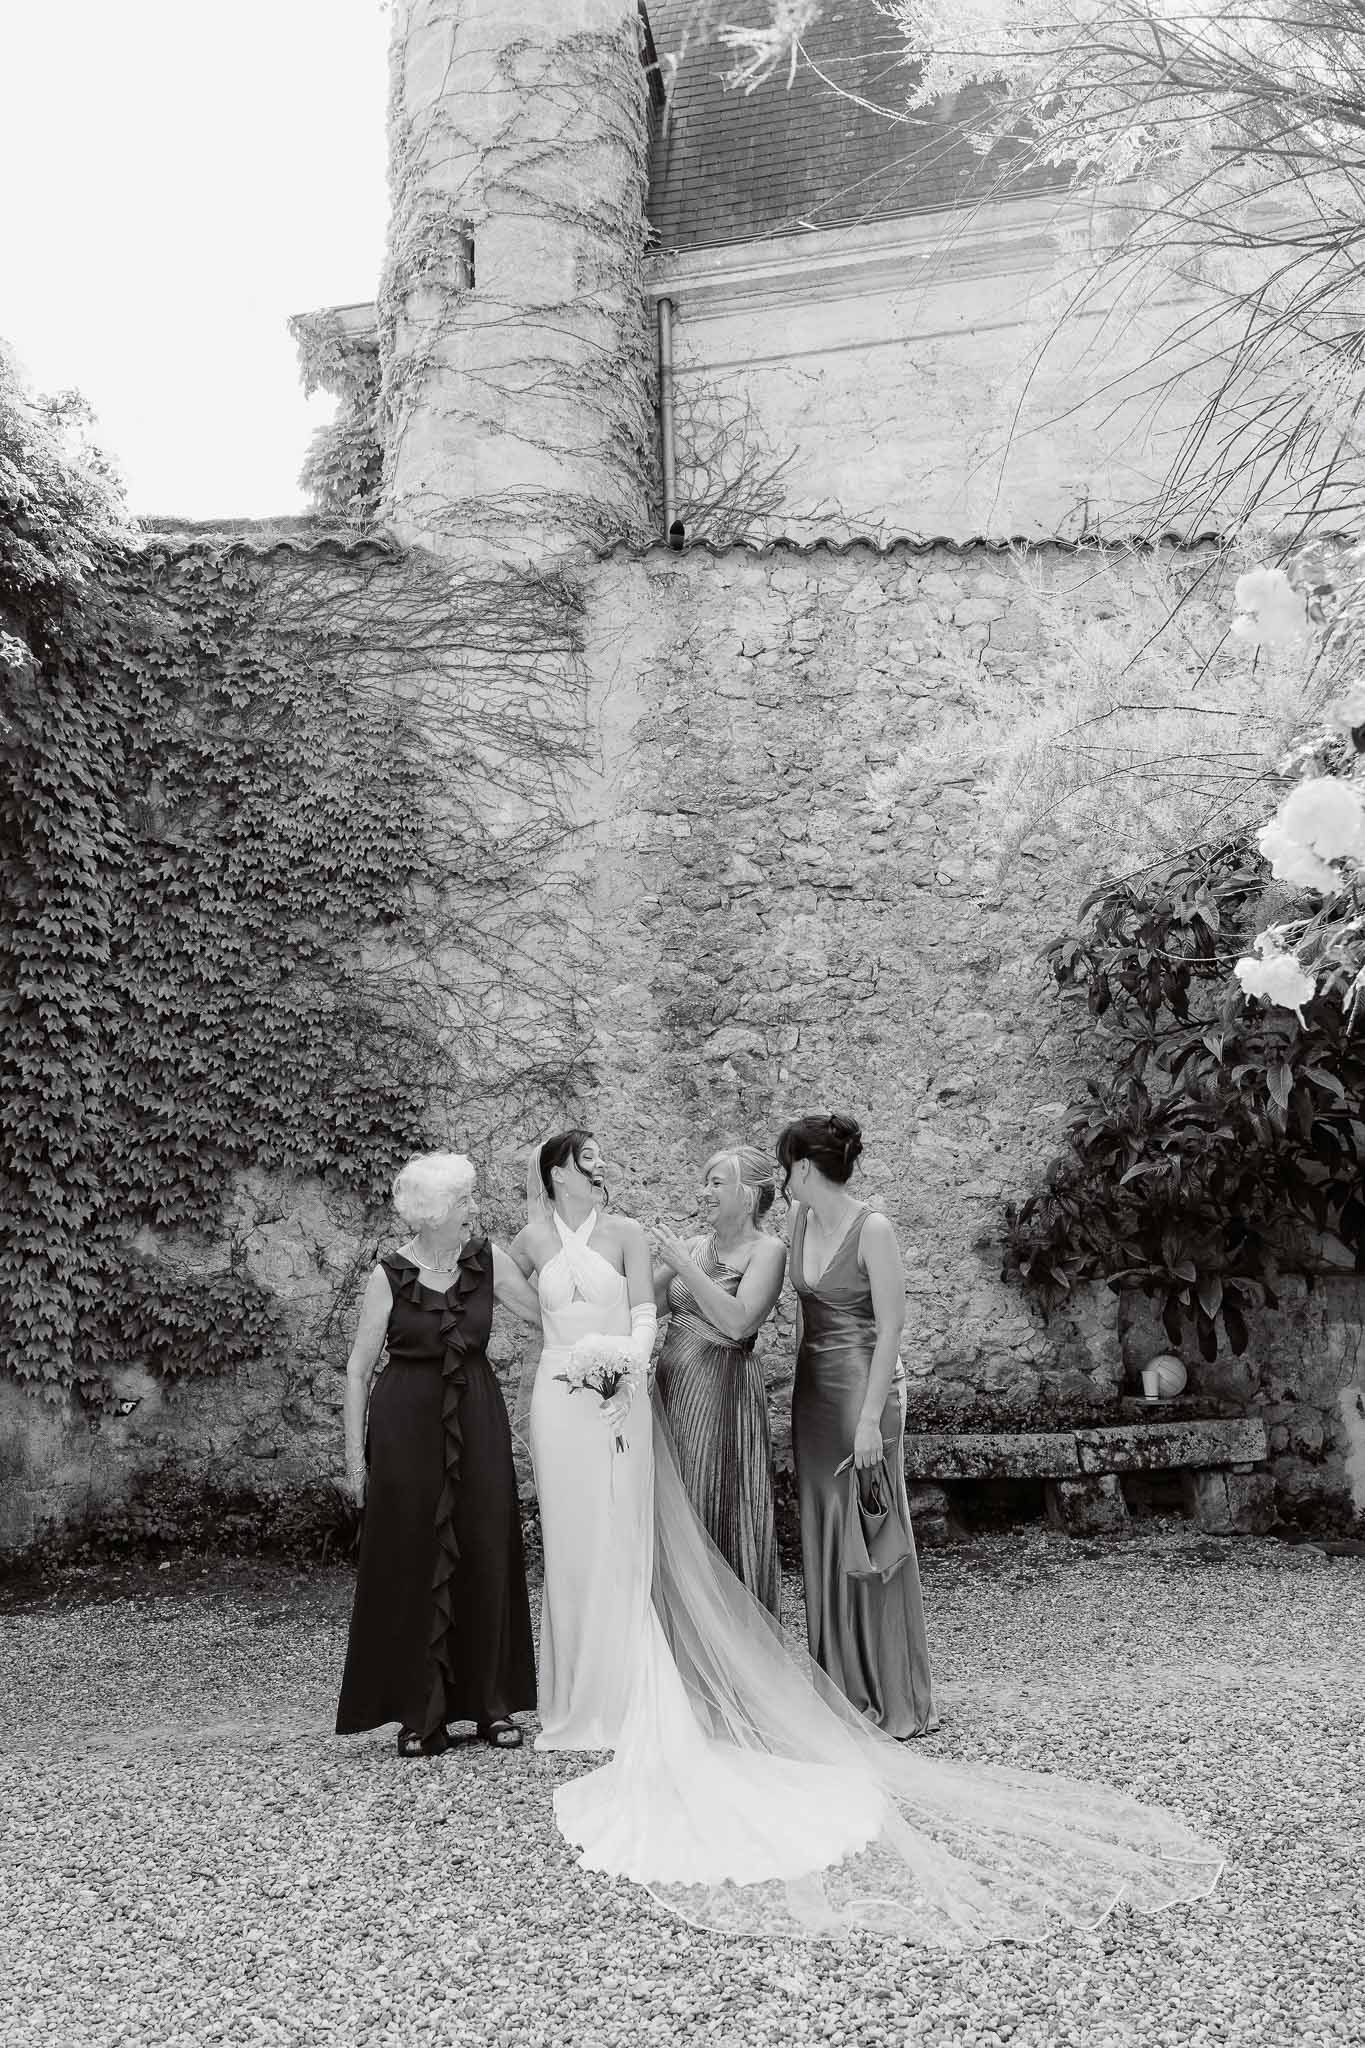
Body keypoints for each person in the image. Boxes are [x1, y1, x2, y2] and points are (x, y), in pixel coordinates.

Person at [512, 1129, 1223, 1946]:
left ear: (771, 1182)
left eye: (724, 1178)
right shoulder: (759, 1234)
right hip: (708, 1393)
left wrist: (862, 1412)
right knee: (767, 1540)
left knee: (841, 1534)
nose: (709, 1187)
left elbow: (750, 1324)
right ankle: (789, 1682)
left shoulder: (798, 1241)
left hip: (782, 1394)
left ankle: (865, 1690)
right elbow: (645, 1302)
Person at [335, 1151, 541, 1757]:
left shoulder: (489, 1261)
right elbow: (356, 1371)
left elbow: (549, 1313)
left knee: (483, 1544)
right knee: (414, 1556)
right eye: (465, 1201)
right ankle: (418, 1712)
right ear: (431, 1214)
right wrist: (356, 1460)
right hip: (406, 1427)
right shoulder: (388, 1277)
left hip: (476, 1419)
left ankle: (490, 1705)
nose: (475, 1209)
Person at [778, 1112, 938, 1739]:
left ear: (804, 1168)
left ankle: (889, 1693)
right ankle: (838, 1689)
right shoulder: (798, 1220)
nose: (780, 1174)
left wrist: (872, 1419)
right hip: (812, 1398)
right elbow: (803, 1314)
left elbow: (891, 1329)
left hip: (861, 1398)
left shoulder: (875, 1229)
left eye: (785, 1163)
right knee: (823, 1526)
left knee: (869, 1528)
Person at [509, 1128, 657, 1749]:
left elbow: (648, 1311)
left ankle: (623, 1688)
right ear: (558, 1174)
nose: (600, 1165)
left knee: (617, 1525)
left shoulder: (627, 1233)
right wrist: (554, 1337)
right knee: (568, 1536)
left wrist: (628, 1365)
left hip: (620, 1391)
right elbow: (497, 1289)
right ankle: (570, 1694)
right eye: (588, 1157)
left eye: (600, 1155)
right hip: (557, 1394)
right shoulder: (529, 1240)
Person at [651, 1146, 785, 1615]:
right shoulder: (691, 1245)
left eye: (715, 1183)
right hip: (670, 1396)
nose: (702, 1192)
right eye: (704, 1182)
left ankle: (728, 1634)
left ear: (747, 1197)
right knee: (671, 1508)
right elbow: (646, 1306)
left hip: (721, 1395)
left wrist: (686, 1267)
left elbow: (739, 1322)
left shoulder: (767, 1251)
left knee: (712, 1500)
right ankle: (676, 1637)